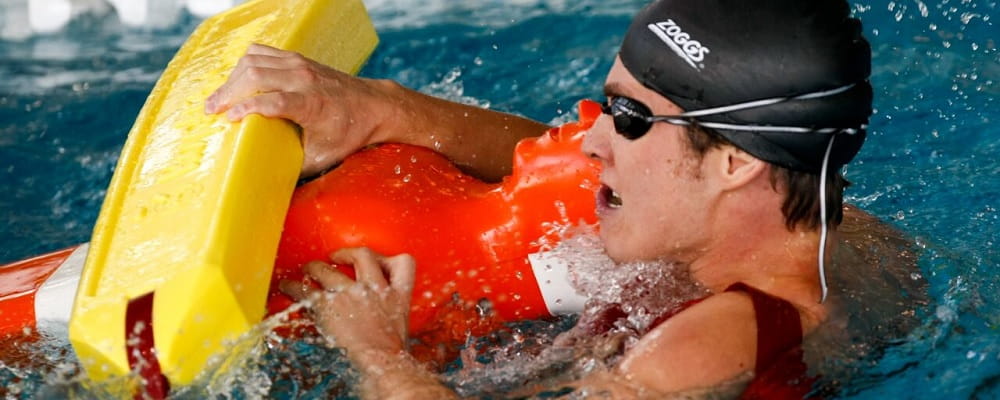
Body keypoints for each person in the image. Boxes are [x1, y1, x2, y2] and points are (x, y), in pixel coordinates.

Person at [205, 0, 887, 397]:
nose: (589, 143)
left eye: (629, 119)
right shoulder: (828, 228)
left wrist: (379, 355)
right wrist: (384, 110)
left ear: (736, 163)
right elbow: (555, 165)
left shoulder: (708, 348)